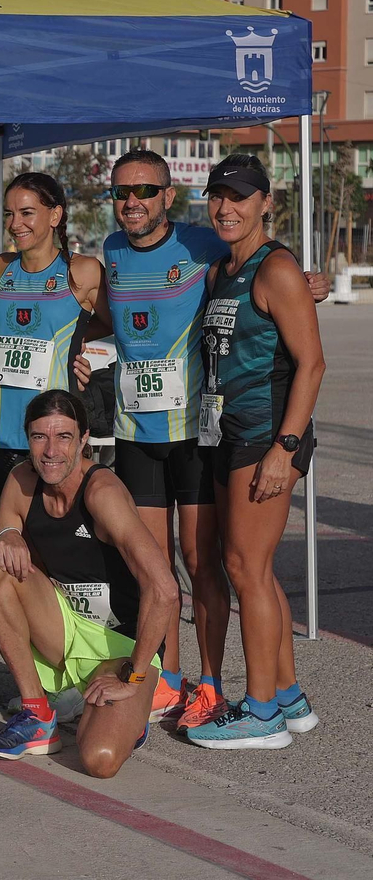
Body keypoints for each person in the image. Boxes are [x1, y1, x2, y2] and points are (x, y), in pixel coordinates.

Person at [87, 149, 233, 731]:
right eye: (122, 192)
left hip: (193, 433)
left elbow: (257, 266)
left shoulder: (202, 244)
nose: (132, 202)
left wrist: (305, 281)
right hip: (134, 432)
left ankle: (214, 682)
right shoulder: (113, 251)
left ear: (167, 196)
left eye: (145, 191)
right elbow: (110, 321)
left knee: (202, 563)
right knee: (155, 567)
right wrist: (83, 351)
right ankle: (167, 678)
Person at [186, 155, 324, 750]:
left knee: (245, 568)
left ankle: (263, 713)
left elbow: (313, 364)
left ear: (267, 202)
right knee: (251, 567)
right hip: (226, 429)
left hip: (267, 433)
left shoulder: (276, 269)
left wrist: (285, 447)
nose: (226, 208)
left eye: (240, 197)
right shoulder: (221, 270)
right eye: (218, 196)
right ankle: (289, 697)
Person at [0, 390, 178, 777]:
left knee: (98, 759)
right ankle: (38, 714)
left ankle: (132, 704)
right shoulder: (21, 478)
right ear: (27, 438)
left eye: (63, 437)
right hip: (63, 629)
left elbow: (165, 589)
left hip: (119, 649)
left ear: (84, 439)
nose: (50, 451)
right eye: (39, 437)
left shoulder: (102, 493)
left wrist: (132, 677)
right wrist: (6, 535)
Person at [0, 173, 101, 509]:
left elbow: (119, 326)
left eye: (26, 213)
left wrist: (76, 346)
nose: (15, 223)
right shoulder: (1, 267)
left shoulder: (83, 271)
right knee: (11, 534)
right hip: (1, 428)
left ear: (55, 215)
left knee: (58, 533)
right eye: (9, 214)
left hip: (56, 431)